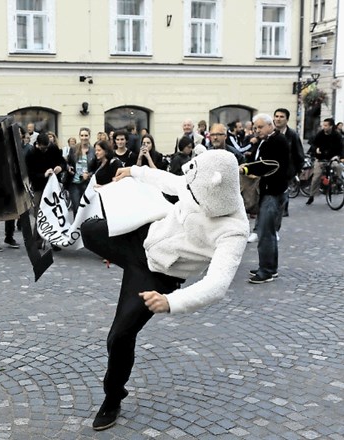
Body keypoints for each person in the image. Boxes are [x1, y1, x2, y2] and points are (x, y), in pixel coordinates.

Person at [81, 149, 248, 431]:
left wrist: (170, 302)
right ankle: (117, 255)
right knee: (88, 230)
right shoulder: (198, 181)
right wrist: (135, 172)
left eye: (193, 189)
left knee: (120, 336)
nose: (188, 189)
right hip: (143, 237)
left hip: (158, 275)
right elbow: (172, 182)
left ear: (210, 190)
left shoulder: (234, 230)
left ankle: (113, 396)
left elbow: (217, 284)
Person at [241, 113, 290, 283]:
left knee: (265, 232)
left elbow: (269, 164)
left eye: (260, 127)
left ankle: (267, 270)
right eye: (255, 127)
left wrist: (246, 169)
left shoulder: (277, 141)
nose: (257, 130)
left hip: (273, 192)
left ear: (270, 126)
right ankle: (270, 267)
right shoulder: (268, 140)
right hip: (271, 190)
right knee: (267, 231)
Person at [25, 133, 66, 248]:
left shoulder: (53, 148)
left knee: (55, 212)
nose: (45, 149)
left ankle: (55, 240)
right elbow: (30, 174)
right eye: (43, 147)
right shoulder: (31, 153)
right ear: (37, 144)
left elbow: (62, 162)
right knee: (40, 213)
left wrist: (60, 167)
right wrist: (43, 174)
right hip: (39, 186)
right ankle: (37, 241)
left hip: (53, 186)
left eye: (47, 147)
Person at [306, 118, 343, 205]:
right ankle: (311, 196)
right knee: (316, 178)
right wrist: (316, 149)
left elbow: (341, 148)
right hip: (321, 159)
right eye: (324, 125)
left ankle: (338, 182)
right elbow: (313, 143)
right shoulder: (320, 134)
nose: (324, 127)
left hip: (332, 158)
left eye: (326, 125)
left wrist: (338, 156)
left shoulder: (337, 136)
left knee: (338, 166)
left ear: (331, 126)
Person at [65, 128, 96, 215]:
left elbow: (97, 168)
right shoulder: (73, 149)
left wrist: (89, 174)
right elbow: (67, 163)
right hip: (74, 182)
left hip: (88, 183)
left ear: (89, 136)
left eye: (86, 135)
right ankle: (77, 227)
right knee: (76, 207)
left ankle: (87, 227)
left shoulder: (93, 151)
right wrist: (69, 168)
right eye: (82, 135)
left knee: (87, 207)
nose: (84, 138)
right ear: (79, 136)